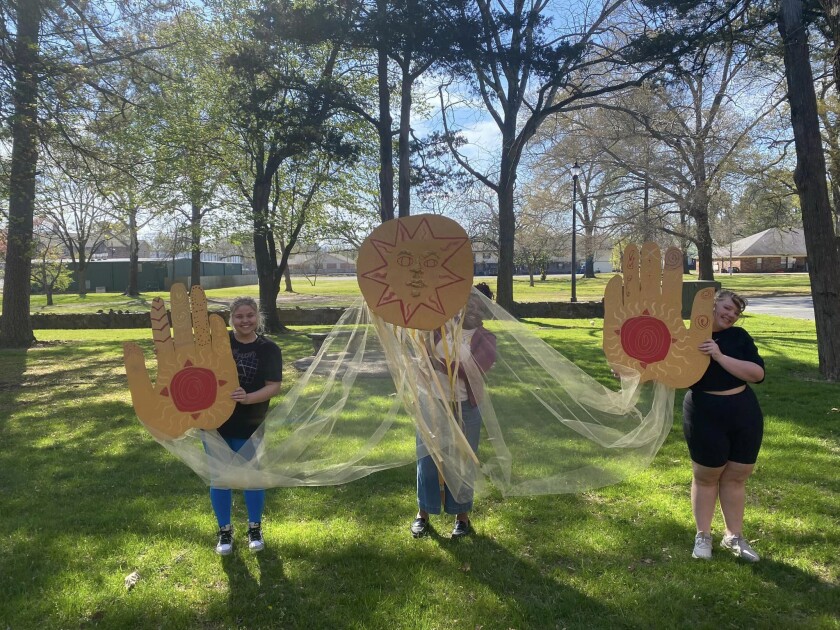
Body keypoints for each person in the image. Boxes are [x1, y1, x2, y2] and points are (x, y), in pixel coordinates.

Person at [683, 290, 765, 562]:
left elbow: (757, 374)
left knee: (737, 476)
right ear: (712, 305)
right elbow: (664, 371)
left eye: (736, 312)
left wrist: (718, 355)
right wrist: (630, 368)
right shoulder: (689, 337)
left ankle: (734, 536)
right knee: (706, 477)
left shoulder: (739, 337)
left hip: (743, 413)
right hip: (704, 413)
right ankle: (703, 536)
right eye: (728, 308)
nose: (731, 315)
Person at [410, 291, 497, 539]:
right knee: (427, 460)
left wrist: (439, 363)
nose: (469, 311)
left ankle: (462, 517)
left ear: (482, 312)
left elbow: (474, 368)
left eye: (475, 308)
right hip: (432, 403)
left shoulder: (486, 339)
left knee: (463, 461)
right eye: (465, 306)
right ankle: (423, 513)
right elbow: (420, 351)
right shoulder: (436, 329)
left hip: (465, 405)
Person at [209, 296, 282, 555]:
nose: (245, 321)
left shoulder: (268, 349)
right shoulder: (217, 345)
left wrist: (248, 398)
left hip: (250, 422)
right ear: (231, 319)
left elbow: (274, 385)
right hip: (215, 424)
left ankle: (254, 528)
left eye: (250, 315)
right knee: (219, 477)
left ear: (258, 317)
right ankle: (224, 532)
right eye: (239, 316)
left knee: (252, 477)